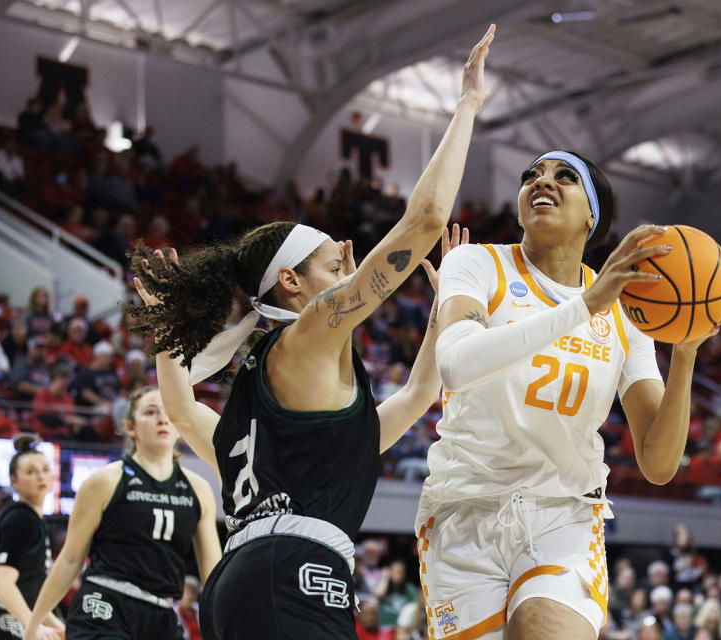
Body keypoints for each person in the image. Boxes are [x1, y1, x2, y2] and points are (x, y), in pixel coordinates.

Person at [130, 25, 495, 640]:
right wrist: (467, 105)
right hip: (291, 574)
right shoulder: (304, 337)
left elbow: (416, 397)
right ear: (292, 286)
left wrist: (445, 311)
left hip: (245, 580)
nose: (349, 257)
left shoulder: (291, 420)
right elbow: (427, 218)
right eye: (332, 260)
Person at [416, 149, 721, 640]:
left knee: (544, 629)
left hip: (562, 513)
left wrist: (688, 352)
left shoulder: (625, 314)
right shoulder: (477, 263)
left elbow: (658, 463)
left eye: (564, 176)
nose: (542, 181)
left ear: (593, 214)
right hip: (465, 511)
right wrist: (585, 305)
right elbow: (456, 365)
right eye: (532, 175)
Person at [23, 386, 222, 640]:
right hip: (105, 606)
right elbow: (71, 559)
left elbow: (213, 573)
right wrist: (34, 623)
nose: (162, 419)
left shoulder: (199, 489)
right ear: (131, 427)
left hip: (162, 614)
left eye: (168, 413)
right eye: (150, 412)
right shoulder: (105, 481)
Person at [0, 435, 65, 639]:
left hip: (9, 617)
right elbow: (1, 584)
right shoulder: (20, 519)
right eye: (30, 471)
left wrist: (59, 627)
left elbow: (30, 595)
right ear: (14, 481)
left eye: (45, 469)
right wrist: (32, 625)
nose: (41, 476)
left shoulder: (32, 519)